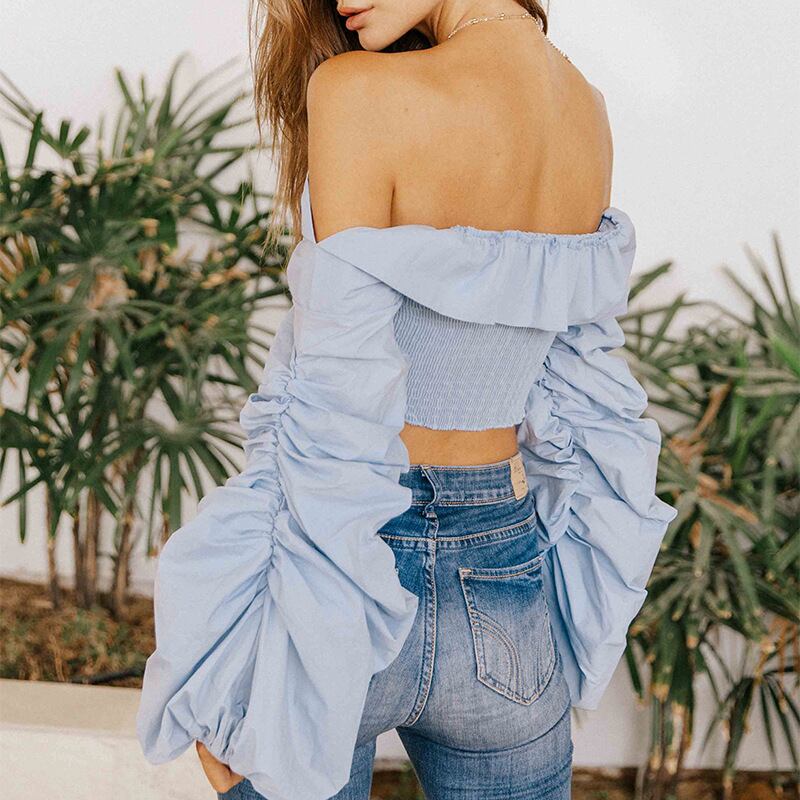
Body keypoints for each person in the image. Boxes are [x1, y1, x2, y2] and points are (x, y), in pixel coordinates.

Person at [136, 2, 678, 799]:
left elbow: (335, 400)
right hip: (506, 581)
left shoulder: (357, 90)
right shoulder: (584, 109)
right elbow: (575, 385)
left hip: (345, 578)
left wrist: (242, 671)